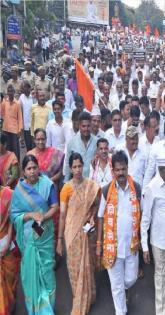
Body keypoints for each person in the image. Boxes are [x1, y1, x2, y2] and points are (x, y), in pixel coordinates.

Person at [10, 155, 59, 314]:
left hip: (45, 234)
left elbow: (55, 206)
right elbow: (15, 216)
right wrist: (31, 215)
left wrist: (43, 217)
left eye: (34, 167)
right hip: (29, 238)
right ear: (23, 172)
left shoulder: (47, 184)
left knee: (47, 273)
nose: (32, 171)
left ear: (39, 168)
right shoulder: (20, 190)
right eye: (29, 169)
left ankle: (48, 309)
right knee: (31, 275)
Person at [97, 151, 142, 315]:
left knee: (131, 279)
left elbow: (141, 214)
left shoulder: (136, 188)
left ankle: (124, 291)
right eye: (117, 170)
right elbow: (100, 216)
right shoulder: (105, 190)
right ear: (113, 171)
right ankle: (120, 311)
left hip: (131, 245)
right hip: (112, 247)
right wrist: (99, 244)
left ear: (127, 168)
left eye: (123, 169)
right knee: (116, 286)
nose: (121, 173)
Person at [57, 153, 101, 315]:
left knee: (87, 264)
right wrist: (60, 240)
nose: (77, 170)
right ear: (70, 168)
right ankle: (79, 297)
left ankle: (88, 297)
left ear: (83, 166)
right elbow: (62, 215)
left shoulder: (91, 185)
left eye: (79, 166)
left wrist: (91, 215)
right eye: (74, 167)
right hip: (71, 233)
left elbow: (96, 203)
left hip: (87, 231)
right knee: (75, 269)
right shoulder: (66, 188)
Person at [141, 156, 165, 315]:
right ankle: (160, 311)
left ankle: (163, 297)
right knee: (160, 275)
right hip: (159, 241)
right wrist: (144, 247)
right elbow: (145, 219)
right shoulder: (152, 188)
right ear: (161, 170)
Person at [0, 183, 20, 315]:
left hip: (8, 242)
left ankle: (11, 302)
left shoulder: (8, 194)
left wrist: (7, 241)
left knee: (11, 277)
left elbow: (13, 219)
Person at [64, 112, 98, 181]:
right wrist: (66, 181)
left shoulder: (97, 142)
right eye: (83, 126)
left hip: (93, 182)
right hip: (76, 182)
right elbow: (68, 164)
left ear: (91, 125)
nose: (86, 129)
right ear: (79, 126)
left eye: (88, 126)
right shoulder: (72, 143)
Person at [1, 84, 23, 159]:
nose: (10, 93)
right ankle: (8, 166)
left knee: (15, 149)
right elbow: (2, 112)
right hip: (5, 129)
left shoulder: (17, 103)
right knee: (7, 148)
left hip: (14, 130)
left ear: (14, 92)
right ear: (7, 92)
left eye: (11, 91)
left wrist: (20, 129)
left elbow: (20, 117)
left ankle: (17, 165)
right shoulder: (4, 102)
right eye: (9, 91)